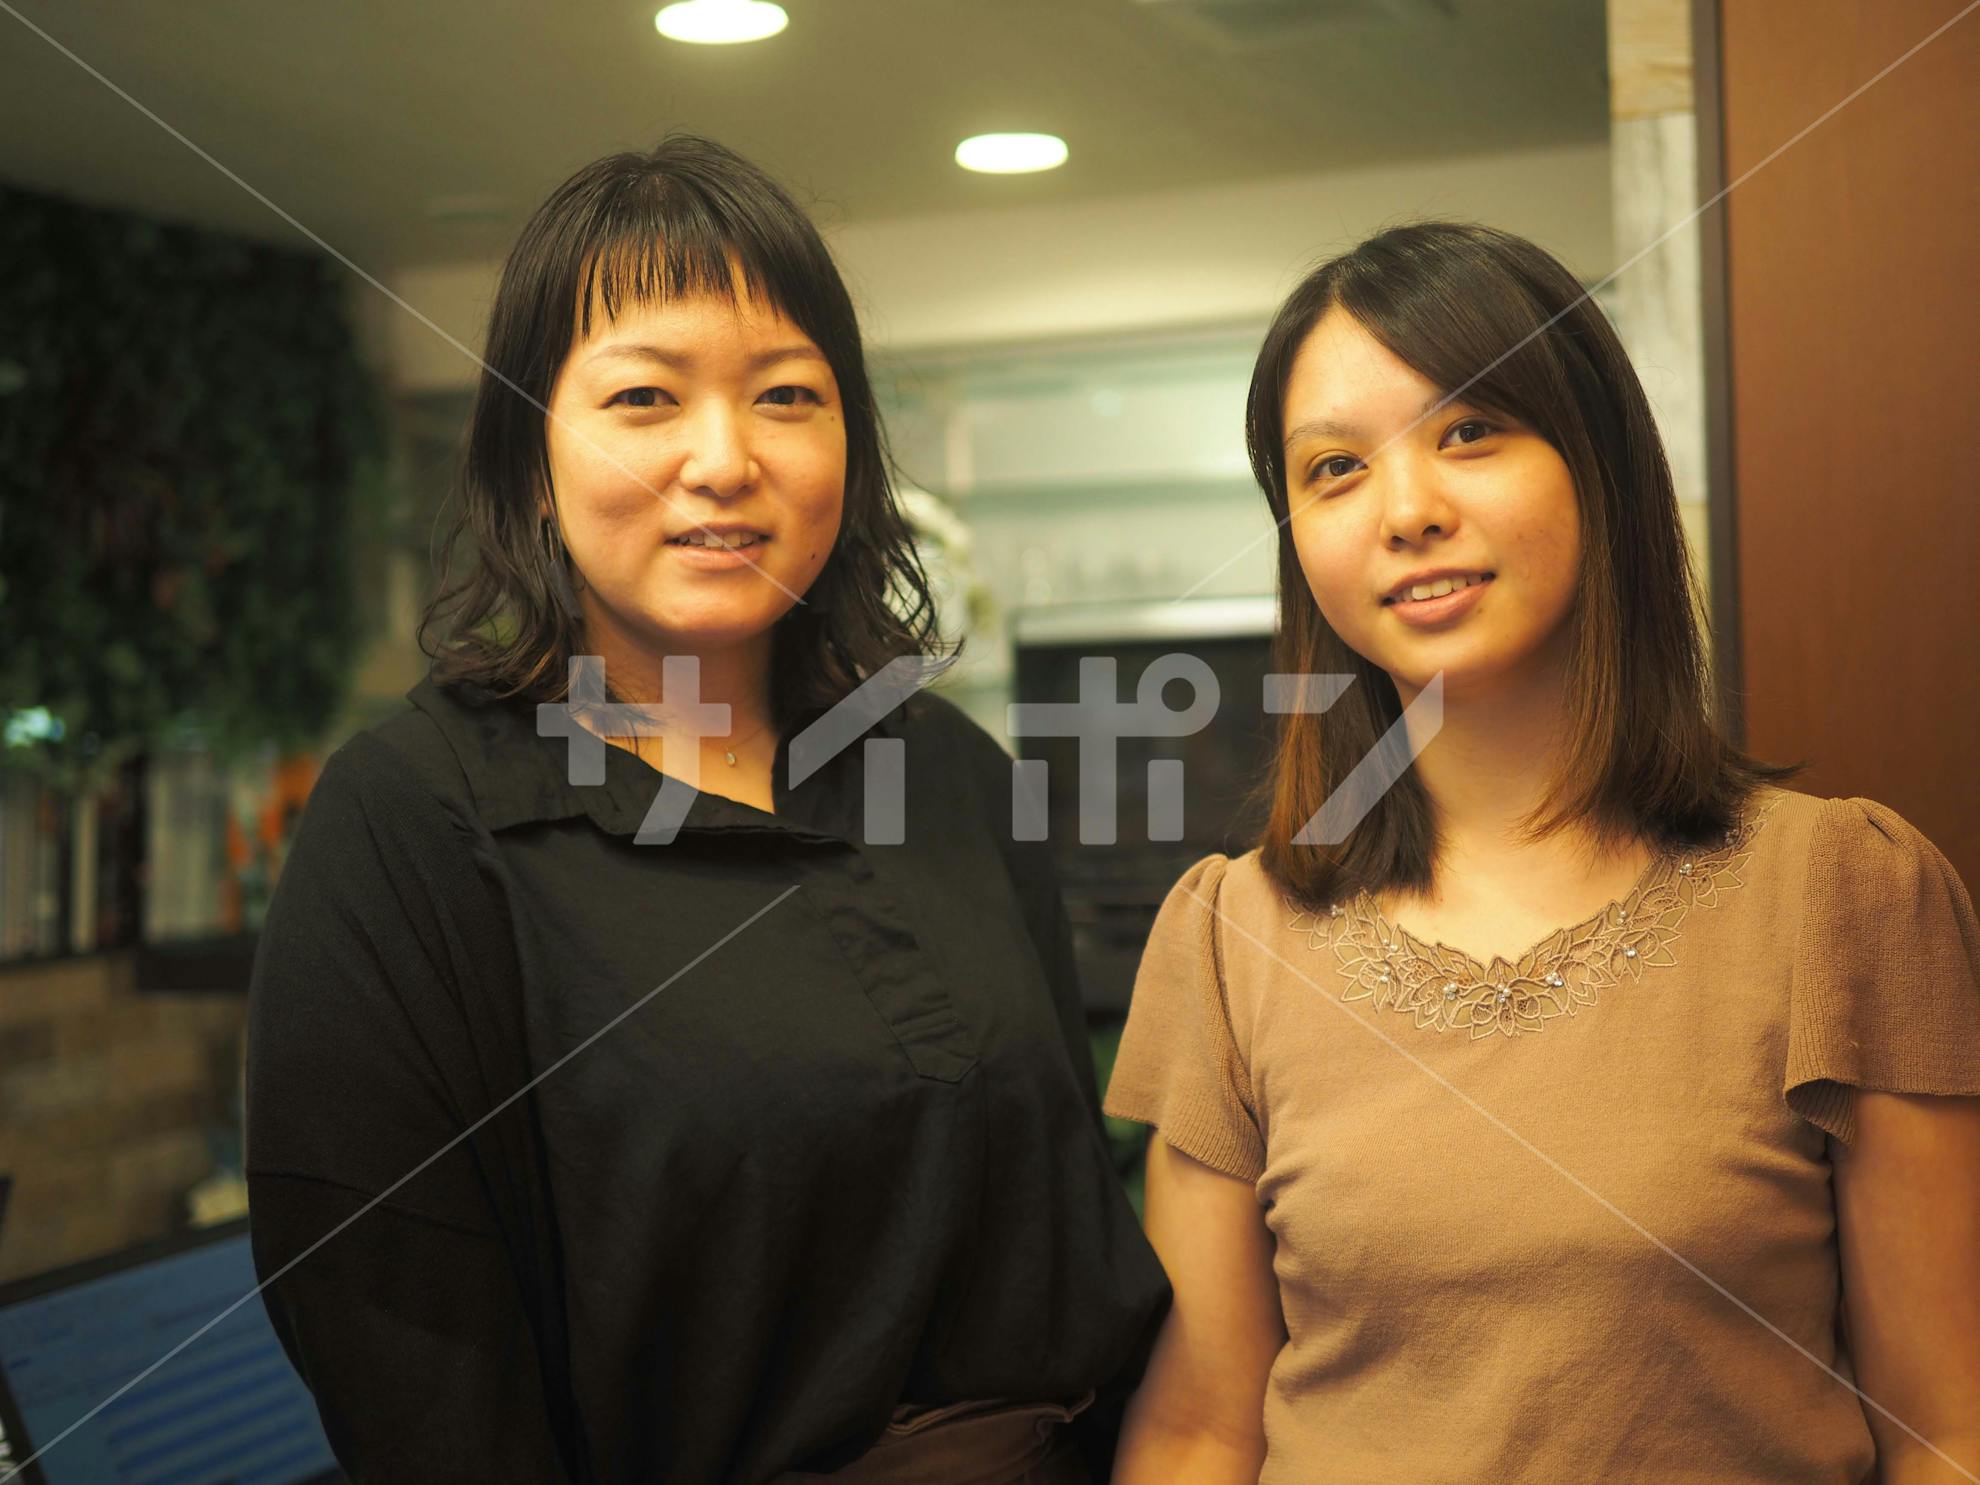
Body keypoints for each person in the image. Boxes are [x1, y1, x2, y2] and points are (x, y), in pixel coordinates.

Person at [244, 135, 1169, 1485]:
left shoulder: (952, 773)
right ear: (529, 454)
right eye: (644, 398)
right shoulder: (415, 819)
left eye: (787, 395)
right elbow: (407, 1349)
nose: (725, 459)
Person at [1102, 221, 1980, 1481]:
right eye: (1335, 469)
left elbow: (1947, 1427)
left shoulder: (1845, 890)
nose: (1409, 511)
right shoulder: (1233, 936)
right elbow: (1200, 1429)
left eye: (1470, 431)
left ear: (1597, 460)